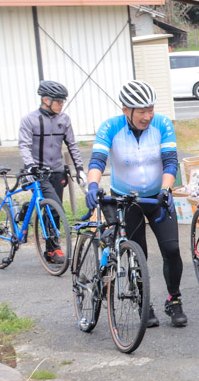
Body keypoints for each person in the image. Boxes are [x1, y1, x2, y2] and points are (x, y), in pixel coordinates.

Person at [84, 80, 186, 328]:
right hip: (127, 200)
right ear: (125, 110)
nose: (147, 116)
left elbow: (170, 161)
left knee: (172, 250)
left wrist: (165, 189)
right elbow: (98, 160)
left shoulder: (162, 124)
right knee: (136, 254)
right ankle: (143, 301)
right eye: (141, 111)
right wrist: (93, 186)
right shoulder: (110, 127)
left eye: (150, 109)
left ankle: (174, 300)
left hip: (157, 197)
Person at [18, 80, 85, 263]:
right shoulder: (29, 120)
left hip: (57, 171)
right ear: (46, 99)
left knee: (51, 208)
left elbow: (72, 145)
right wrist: (30, 165)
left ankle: (28, 212)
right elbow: (23, 146)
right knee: (55, 208)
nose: (62, 105)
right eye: (58, 101)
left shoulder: (64, 119)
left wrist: (79, 168)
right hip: (37, 172)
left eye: (63, 101)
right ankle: (54, 249)